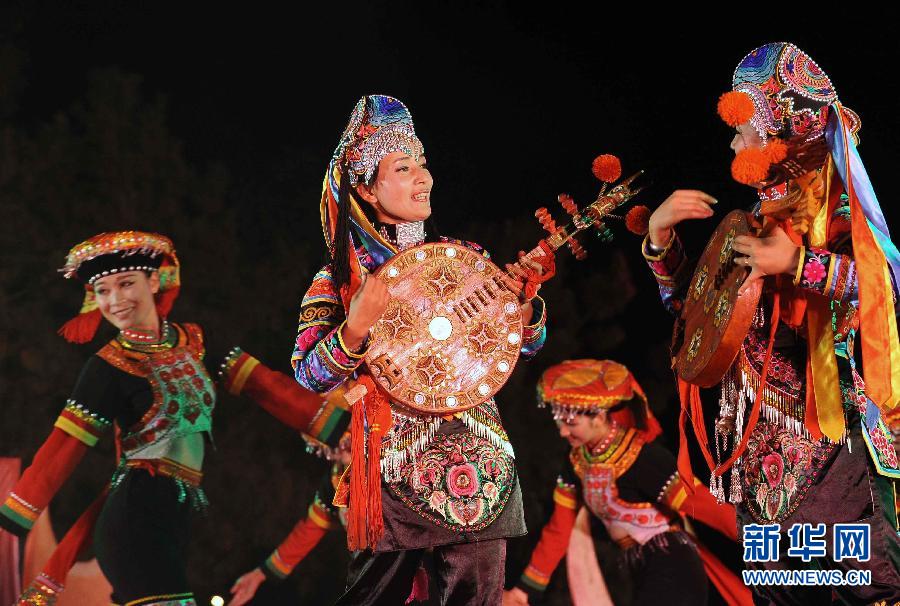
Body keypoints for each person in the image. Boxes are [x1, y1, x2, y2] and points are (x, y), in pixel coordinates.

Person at [643, 42, 900, 603]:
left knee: (869, 586)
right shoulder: (752, 221)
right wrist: (660, 242)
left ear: (779, 137)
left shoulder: (837, 210)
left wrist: (797, 262)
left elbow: (884, 285)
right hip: (757, 454)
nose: (733, 142)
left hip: (832, 444)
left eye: (745, 128)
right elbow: (700, 320)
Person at [292, 94, 548, 605]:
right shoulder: (340, 280)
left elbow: (525, 346)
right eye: (404, 167)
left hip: (479, 459)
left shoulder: (466, 259)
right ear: (366, 187)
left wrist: (524, 310)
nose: (423, 177)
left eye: (424, 165)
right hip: (394, 468)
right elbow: (307, 372)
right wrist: (355, 329)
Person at [0, 231, 334, 606]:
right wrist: (13, 518)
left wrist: (338, 427)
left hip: (174, 513)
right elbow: (63, 447)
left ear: (154, 280)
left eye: (126, 284)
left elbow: (265, 386)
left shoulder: (196, 342)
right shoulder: (107, 366)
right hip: (135, 512)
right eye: (103, 291)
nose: (115, 300)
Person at [503, 359, 750, 606]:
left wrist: (759, 539)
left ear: (598, 416)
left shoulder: (643, 458)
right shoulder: (575, 464)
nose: (563, 433)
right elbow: (559, 529)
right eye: (560, 423)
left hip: (673, 563)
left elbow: (702, 504)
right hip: (638, 568)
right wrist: (524, 591)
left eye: (570, 423)